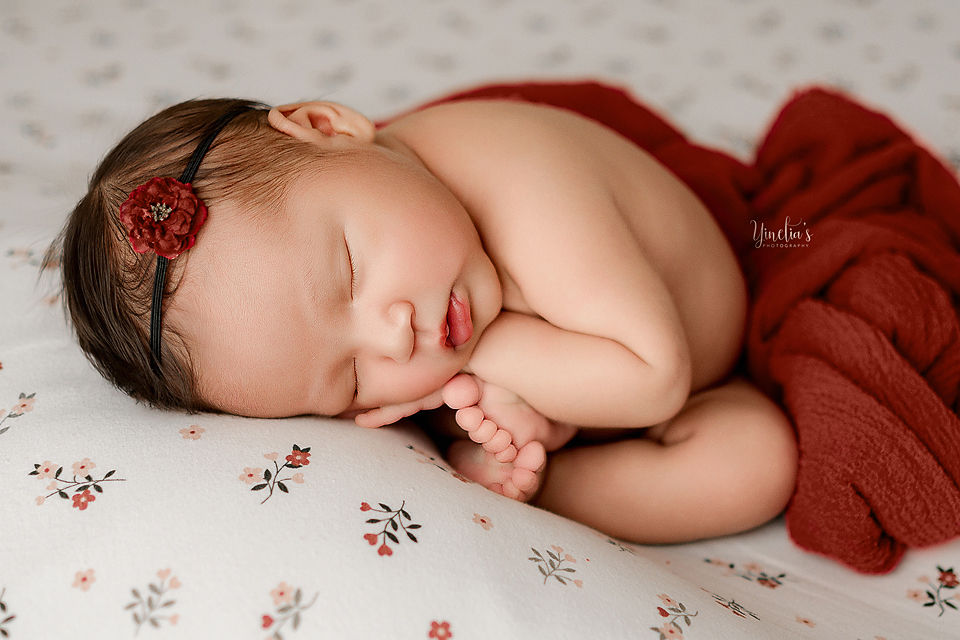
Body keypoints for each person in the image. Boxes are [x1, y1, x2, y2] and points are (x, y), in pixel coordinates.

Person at [51, 91, 798, 544]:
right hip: (588, 388)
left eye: (349, 267)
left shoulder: (524, 181)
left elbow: (654, 382)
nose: (393, 333)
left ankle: (556, 488)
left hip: (687, 364)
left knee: (761, 466)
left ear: (329, 126)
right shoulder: (426, 273)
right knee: (751, 460)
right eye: (347, 380)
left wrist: (485, 357)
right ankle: (526, 463)